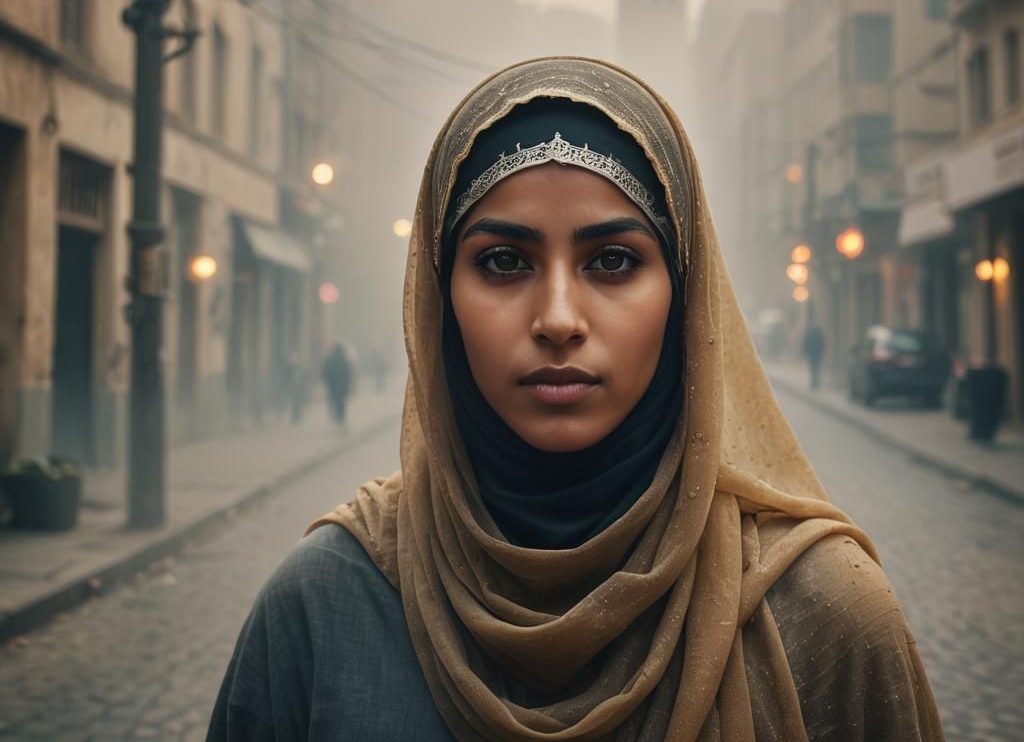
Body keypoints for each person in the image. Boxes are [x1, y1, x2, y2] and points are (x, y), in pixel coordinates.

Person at [207, 58, 943, 741]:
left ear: (685, 300)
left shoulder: (825, 614)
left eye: (614, 261)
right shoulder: (325, 604)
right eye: (502, 262)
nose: (558, 318)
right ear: (439, 301)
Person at [321, 343, 353, 428]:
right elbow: (349, 374)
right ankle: (341, 418)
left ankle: (336, 416)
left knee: (334, 401)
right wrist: (349, 386)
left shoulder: (330, 360)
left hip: (333, 386)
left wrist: (326, 381)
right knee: (341, 403)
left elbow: (325, 373)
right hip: (342, 387)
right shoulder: (344, 360)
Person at [802, 319, 826, 391]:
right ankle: (816, 382)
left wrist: (807, 352)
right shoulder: (819, 336)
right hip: (817, 355)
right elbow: (822, 345)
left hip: (813, 355)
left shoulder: (811, 335)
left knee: (813, 369)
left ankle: (814, 382)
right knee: (816, 368)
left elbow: (807, 344)